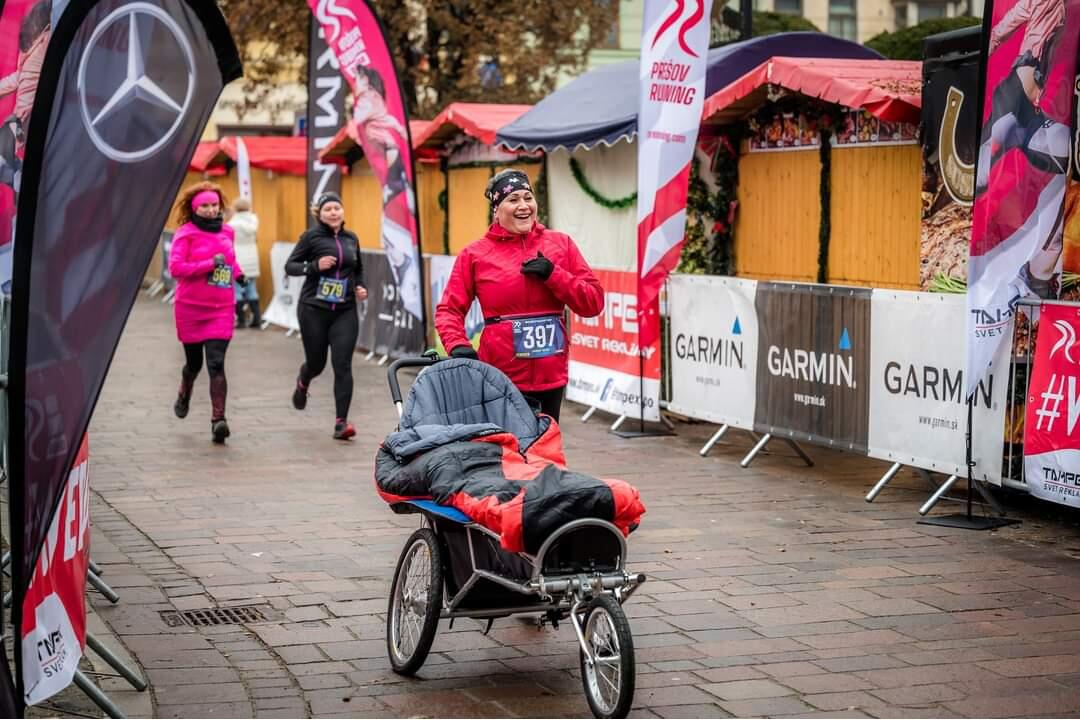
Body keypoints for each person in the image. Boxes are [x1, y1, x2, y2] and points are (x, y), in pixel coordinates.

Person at [435, 169, 604, 422]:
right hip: (500, 375)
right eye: (513, 199)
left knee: (545, 450)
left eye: (528, 197)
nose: (523, 205)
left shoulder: (560, 244)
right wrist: (457, 344)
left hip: (551, 374)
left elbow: (593, 302)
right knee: (508, 451)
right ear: (497, 209)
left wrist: (554, 274)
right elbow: (449, 310)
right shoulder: (475, 254)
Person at [285, 192, 368, 439]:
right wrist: (313, 267)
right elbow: (290, 266)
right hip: (314, 310)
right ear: (319, 214)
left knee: (342, 364)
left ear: (343, 212)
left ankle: (341, 423)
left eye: (337, 208)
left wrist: (360, 287)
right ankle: (304, 380)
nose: (333, 212)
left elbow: (359, 268)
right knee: (317, 363)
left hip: (345, 310)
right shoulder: (311, 238)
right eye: (328, 209)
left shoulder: (351, 238)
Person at [169, 182, 246, 444]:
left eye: (215, 205)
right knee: (194, 364)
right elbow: (176, 269)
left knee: (216, 363)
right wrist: (208, 264)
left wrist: (239, 274)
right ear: (194, 207)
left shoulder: (227, 231)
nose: (211, 209)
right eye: (205, 205)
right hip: (190, 307)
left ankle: (218, 420)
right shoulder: (185, 234)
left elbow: (230, 259)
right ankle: (185, 390)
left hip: (221, 307)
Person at [228, 197, 261, 328]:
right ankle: (257, 320)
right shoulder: (254, 220)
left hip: (238, 259)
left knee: (237, 290)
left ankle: (241, 321)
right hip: (252, 257)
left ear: (235, 209)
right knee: (251, 288)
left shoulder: (231, 224)